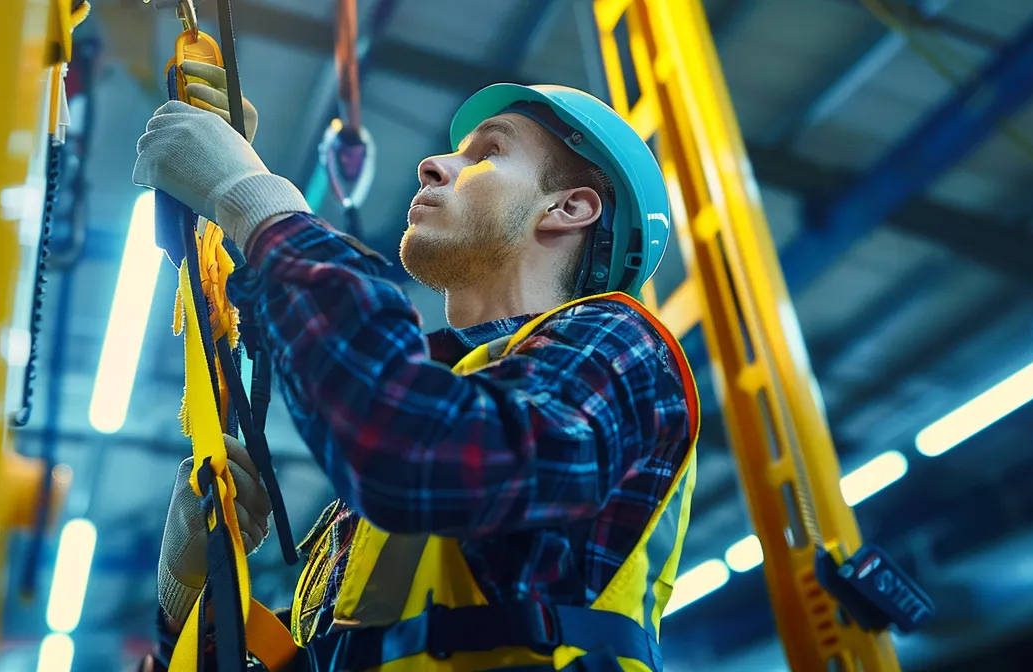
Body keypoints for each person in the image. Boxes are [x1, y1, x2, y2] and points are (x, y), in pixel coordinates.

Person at [132, 64, 701, 671]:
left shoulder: (620, 344)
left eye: (487, 152)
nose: (433, 164)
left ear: (569, 207)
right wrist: (193, 605)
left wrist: (256, 203)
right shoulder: (362, 517)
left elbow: (422, 450)